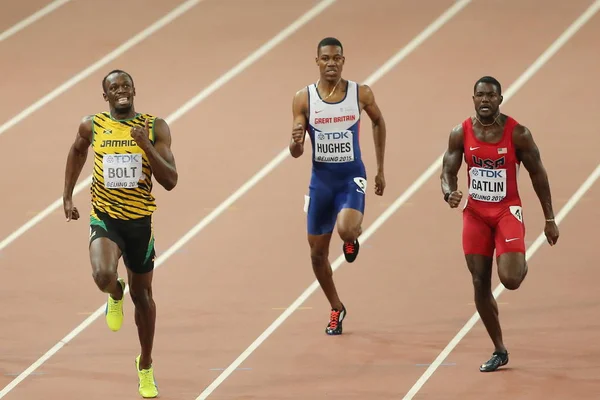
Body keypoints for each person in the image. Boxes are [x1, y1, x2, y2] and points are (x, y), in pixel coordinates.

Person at [62, 69, 178, 398]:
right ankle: (115, 293)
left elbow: (170, 180)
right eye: (114, 87)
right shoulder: (93, 125)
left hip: (140, 223)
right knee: (101, 274)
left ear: (134, 90)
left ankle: (145, 364)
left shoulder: (155, 127)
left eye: (126, 85)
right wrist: (68, 195)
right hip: (105, 218)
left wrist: (146, 145)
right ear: (106, 96)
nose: (121, 90)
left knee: (143, 300)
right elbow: (77, 150)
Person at [440, 76, 559, 372]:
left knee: (511, 280)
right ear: (473, 99)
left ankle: (517, 262)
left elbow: (538, 175)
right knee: (480, 282)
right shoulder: (460, 133)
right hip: (476, 214)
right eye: (479, 95)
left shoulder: (518, 134)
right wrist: (449, 192)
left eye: (490, 96)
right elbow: (448, 170)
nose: (484, 101)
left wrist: (549, 218)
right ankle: (499, 349)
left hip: (507, 212)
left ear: (500, 100)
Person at [289, 37, 386, 335]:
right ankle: (336, 307)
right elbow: (296, 152)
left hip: (350, 178)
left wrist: (380, 169)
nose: (331, 63)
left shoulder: (361, 93)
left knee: (346, 228)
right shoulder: (303, 99)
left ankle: (351, 237)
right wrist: (295, 143)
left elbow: (378, 122)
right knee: (317, 255)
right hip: (321, 183)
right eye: (326, 58)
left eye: (336, 58)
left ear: (343, 61)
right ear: (316, 61)